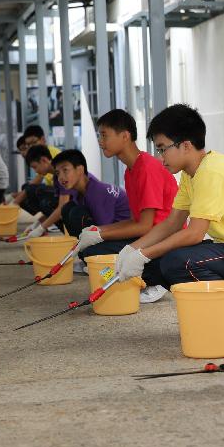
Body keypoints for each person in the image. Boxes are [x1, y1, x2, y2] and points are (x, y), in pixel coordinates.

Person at [114, 104, 224, 340]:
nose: (160, 158)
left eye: (162, 149)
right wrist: (132, 250)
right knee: (156, 267)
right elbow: (172, 223)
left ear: (186, 145)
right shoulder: (191, 174)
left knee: (177, 262)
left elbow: (194, 234)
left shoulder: (212, 172)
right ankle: (215, 312)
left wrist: (143, 253)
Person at [73, 109, 179, 303]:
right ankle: (129, 281)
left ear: (125, 136)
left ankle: (154, 279)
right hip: (147, 234)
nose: (100, 141)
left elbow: (145, 226)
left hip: (163, 238)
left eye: (104, 135)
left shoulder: (147, 167)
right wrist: (97, 230)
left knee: (96, 251)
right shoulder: (131, 171)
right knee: (88, 251)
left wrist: (101, 234)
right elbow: (136, 221)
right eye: (99, 136)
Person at [55, 149, 130, 237]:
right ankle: (79, 243)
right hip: (109, 227)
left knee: (76, 213)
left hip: (126, 232)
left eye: (65, 170)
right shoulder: (79, 190)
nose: (60, 177)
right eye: (57, 173)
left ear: (80, 169)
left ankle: (86, 247)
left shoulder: (96, 192)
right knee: (67, 208)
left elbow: (103, 227)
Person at [16, 144, 66, 238]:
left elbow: (61, 208)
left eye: (35, 167)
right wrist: (37, 224)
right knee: (48, 203)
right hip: (80, 211)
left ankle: (75, 236)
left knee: (46, 202)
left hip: (88, 216)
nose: (35, 171)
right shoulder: (56, 176)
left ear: (44, 160)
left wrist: (41, 228)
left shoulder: (62, 174)